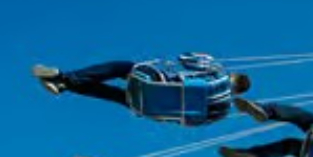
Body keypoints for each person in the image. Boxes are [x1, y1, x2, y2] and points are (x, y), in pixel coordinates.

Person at [32, 55, 250, 123]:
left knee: (122, 67)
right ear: (238, 92)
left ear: (232, 77)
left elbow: (186, 58)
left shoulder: (218, 74)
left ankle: (64, 78)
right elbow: (193, 123)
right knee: (114, 94)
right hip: (154, 109)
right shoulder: (222, 111)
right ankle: (63, 85)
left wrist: (213, 63)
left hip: (156, 85)